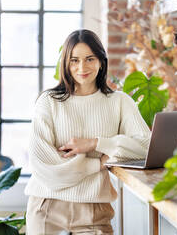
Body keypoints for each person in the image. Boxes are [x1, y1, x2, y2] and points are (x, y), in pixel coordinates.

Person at [24, 29, 151, 235]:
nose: (82, 67)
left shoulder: (119, 102)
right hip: (48, 208)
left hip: (94, 211)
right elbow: (44, 167)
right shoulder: (48, 102)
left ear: (101, 61)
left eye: (89, 59)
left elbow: (146, 147)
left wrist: (95, 143)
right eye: (74, 60)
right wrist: (97, 163)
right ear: (66, 63)